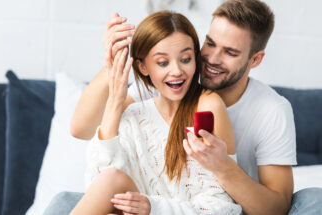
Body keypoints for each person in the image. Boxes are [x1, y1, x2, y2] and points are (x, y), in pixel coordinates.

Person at [43, 0, 322, 215]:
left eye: (230, 52)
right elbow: (81, 129)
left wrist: (223, 167)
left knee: (314, 200)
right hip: (150, 202)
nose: (212, 58)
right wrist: (114, 61)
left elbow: (276, 208)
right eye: (210, 43)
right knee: (65, 200)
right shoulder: (167, 84)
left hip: (223, 207)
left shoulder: (271, 109)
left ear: (255, 60)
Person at [70, 10, 242, 215]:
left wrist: (155, 208)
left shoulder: (208, 107)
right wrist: (115, 102)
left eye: (186, 59)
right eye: (162, 63)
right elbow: (97, 189)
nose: (177, 70)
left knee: (112, 180)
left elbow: (221, 208)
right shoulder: (132, 115)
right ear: (142, 67)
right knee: (110, 180)